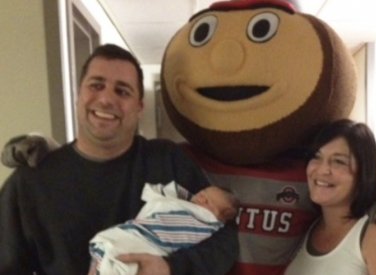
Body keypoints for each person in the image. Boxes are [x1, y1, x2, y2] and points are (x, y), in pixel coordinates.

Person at [0, 44, 238, 275]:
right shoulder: (30, 182)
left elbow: (226, 243)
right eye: (96, 85)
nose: (106, 99)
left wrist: (170, 268)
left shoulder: (167, 160)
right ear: (78, 94)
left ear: (139, 107)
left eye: (122, 91)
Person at [284, 119, 376, 275]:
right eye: (317, 157)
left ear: (364, 172)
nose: (322, 170)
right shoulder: (307, 229)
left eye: (338, 162)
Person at [89, 181, 239, 275]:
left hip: (153, 247)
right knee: (115, 248)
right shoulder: (182, 201)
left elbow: (221, 250)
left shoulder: (207, 222)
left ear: (219, 216)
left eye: (207, 201)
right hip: (140, 234)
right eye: (202, 193)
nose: (200, 197)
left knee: (119, 254)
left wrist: (171, 267)